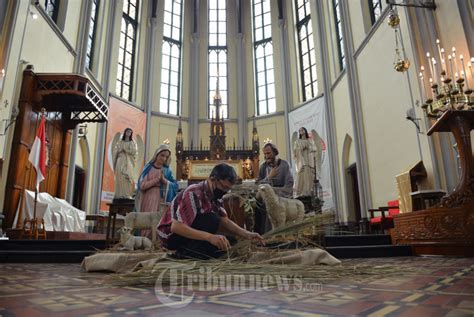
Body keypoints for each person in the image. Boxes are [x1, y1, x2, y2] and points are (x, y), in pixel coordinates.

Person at [157, 163, 265, 259]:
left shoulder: (216, 194)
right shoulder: (194, 193)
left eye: (228, 189)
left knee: (229, 242)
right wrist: (210, 237)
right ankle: (183, 253)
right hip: (171, 237)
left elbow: (225, 220)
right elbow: (176, 227)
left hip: (190, 231)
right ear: (213, 179)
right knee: (211, 220)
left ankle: (195, 252)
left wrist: (247, 234)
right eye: (223, 187)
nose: (224, 191)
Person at [254, 143, 294, 234]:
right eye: (265, 154)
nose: (266, 156)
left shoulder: (285, 165)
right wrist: (268, 177)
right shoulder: (263, 167)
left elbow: (288, 187)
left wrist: (272, 192)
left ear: (275, 152)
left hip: (282, 200)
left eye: (268, 153)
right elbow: (257, 185)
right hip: (266, 201)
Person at [135, 144, 178, 214]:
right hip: (148, 197)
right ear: (157, 154)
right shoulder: (148, 168)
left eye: (166, 157)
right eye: (162, 155)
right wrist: (156, 180)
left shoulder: (167, 170)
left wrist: (164, 181)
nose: (164, 158)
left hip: (161, 200)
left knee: (157, 220)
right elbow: (142, 186)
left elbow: (175, 186)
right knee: (147, 220)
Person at [113, 128, 138, 199]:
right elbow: (115, 151)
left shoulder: (132, 143)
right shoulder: (120, 142)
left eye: (130, 132)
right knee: (120, 177)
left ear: (131, 134)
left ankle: (126, 194)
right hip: (120, 160)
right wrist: (119, 151)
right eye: (127, 132)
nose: (128, 133)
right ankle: (118, 194)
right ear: (125, 132)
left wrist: (125, 150)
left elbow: (134, 152)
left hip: (128, 162)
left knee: (126, 177)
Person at [293, 127, 317, 197]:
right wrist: (300, 148)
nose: (301, 131)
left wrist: (309, 147)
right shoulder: (297, 141)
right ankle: (301, 193)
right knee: (301, 176)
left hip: (308, 160)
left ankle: (308, 191)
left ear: (305, 131)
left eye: (302, 130)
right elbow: (295, 151)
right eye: (300, 130)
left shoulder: (310, 140)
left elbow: (314, 149)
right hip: (301, 161)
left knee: (308, 176)